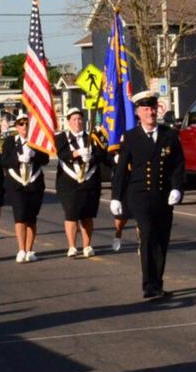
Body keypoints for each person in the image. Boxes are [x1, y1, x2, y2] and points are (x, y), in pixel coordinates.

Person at [111, 92, 185, 300]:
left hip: (162, 194)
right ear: (137, 113)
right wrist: (116, 196)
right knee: (148, 234)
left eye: (152, 108)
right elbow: (121, 171)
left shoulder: (169, 135)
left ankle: (157, 282)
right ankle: (149, 285)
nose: (150, 112)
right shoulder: (131, 137)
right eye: (145, 109)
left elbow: (178, 165)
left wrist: (177, 188)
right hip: (140, 195)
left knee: (162, 239)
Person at [54, 108, 107, 258]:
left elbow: (102, 154)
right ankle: (72, 246)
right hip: (68, 183)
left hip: (89, 182)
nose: (77, 122)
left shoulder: (92, 137)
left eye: (79, 119)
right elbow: (61, 154)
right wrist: (76, 154)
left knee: (87, 215)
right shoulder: (61, 138)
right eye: (74, 119)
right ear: (68, 121)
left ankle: (87, 245)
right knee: (71, 214)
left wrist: (92, 156)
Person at [3, 114, 50, 263]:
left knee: (31, 218)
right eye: (21, 124)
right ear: (16, 127)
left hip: (34, 183)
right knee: (20, 215)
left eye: (26, 124)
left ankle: (30, 249)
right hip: (17, 184)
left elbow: (46, 159)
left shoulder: (37, 140)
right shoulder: (10, 141)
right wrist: (17, 159)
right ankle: (21, 249)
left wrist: (34, 154)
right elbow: (3, 161)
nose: (24, 127)